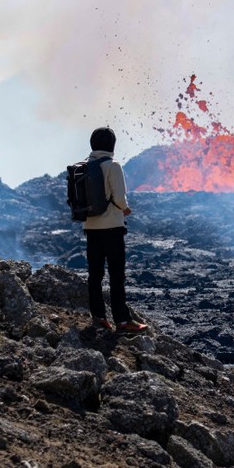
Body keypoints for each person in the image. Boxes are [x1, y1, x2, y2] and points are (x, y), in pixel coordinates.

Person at [82, 127, 148, 333]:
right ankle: (122, 320)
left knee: (95, 274)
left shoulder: (83, 167)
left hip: (91, 227)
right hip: (112, 227)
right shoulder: (113, 166)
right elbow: (119, 197)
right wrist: (125, 209)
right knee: (116, 275)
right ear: (111, 144)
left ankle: (99, 317)